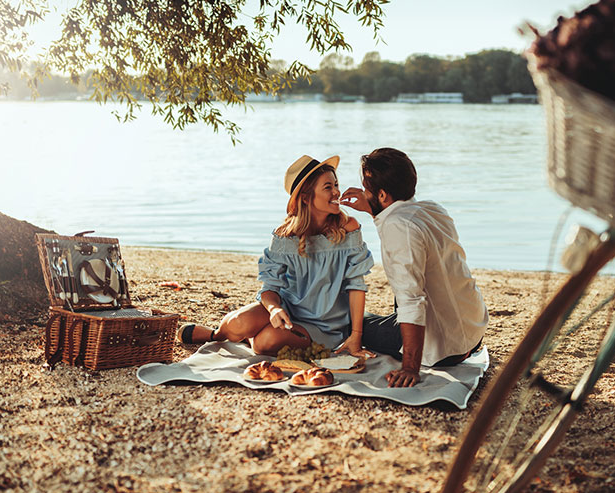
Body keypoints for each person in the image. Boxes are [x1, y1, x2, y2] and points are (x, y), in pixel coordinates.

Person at [178, 155, 375, 357]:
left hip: (324, 325)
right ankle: (216, 335)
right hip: (286, 310)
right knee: (238, 323)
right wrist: (274, 309)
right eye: (328, 187)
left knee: (264, 343)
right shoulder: (284, 236)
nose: (336, 192)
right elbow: (270, 288)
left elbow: (356, 285)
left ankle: (248, 337)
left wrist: (356, 335)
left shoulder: (348, 228)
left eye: (336, 185)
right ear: (306, 197)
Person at [340, 148, 489, 388]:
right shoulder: (432, 209)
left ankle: (405, 350)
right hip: (472, 331)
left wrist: (410, 367)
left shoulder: (398, 226)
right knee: (401, 285)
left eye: (367, 190)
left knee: (348, 321)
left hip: (445, 349)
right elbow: (397, 222)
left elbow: (412, 300)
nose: (363, 193)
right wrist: (372, 207)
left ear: (383, 195)